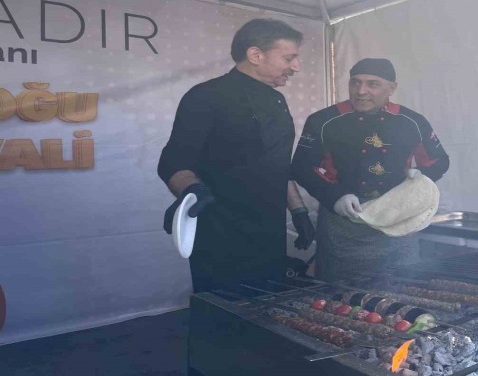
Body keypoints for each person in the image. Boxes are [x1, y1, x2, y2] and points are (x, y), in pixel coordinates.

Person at [158, 18, 315, 293]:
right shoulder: (206, 96)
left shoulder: (277, 100)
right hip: (220, 233)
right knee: (225, 310)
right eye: (289, 58)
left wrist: (299, 211)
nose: (296, 67)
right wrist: (192, 191)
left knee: (268, 306)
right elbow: (173, 163)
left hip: (269, 231)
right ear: (255, 55)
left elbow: (279, 165)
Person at [292, 58, 449, 281]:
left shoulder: (412, 121)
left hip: (398, 217)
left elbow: (438, 160)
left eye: (372, 84)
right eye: (355, 82)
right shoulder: (324, 120)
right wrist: (335, 196)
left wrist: (420, 179)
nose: (361, 91)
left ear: (391, 88)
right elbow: (302, 167)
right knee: (339, 290)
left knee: (401, 285)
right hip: (343, 222)